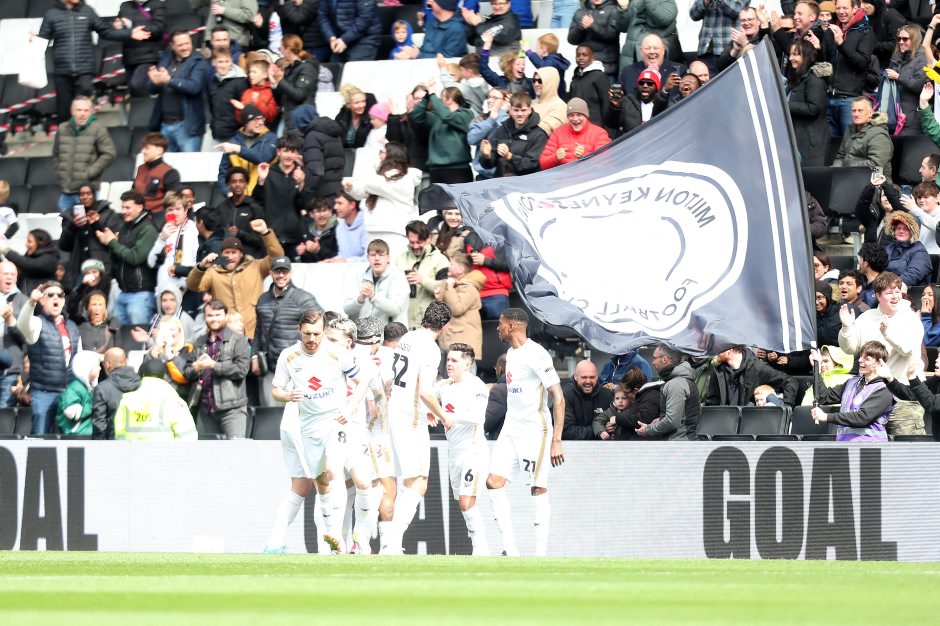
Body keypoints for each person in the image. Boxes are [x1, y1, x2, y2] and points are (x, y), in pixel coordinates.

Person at [264, 310, 373, 554]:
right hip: (308, 426)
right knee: (322, 483)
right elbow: (276, 390)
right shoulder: (289, 356)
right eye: (307, 334)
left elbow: (362, 382)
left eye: (316, 334)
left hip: (336, 421)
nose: (312, 339)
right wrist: (288, 396)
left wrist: (349, 408)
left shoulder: (337, 353)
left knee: (335, 470)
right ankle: (333, 538)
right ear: (299, 331)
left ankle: (340, 536)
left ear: (323, 331)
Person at [486, 307, 565, 557]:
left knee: (537, 487)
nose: (497, 328)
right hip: (511, 427)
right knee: (493, 482)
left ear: (512, 326)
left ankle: (540, 555)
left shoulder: (537, 354)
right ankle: (510, 549)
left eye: (500, 323)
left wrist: (556, 440)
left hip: (534, 429)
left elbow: (558, 397)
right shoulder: (510, 354)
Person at [379, 301, 453, 555]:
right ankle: (391, 544)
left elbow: (401, 381)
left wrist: (426, 410)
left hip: (395, 413)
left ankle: (389, 543)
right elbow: (425, 391)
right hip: (410, 419)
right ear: (444, 326)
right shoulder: (431, 349)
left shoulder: (408, 337)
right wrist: (444, 416)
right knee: (418, 482)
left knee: (405, 482)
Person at [838, 271, 926, 434]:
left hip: (903, 397)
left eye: (897, 291)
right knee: (871, 447)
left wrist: (887, 333)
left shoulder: (911, 318)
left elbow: (906, 349)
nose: (895, 296)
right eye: (889, 293)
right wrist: (846, 327)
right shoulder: (866, 318)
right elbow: (849, 348)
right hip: (871, 396)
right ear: (878, 296)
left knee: (907, 446)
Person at [36, 0, 148, 124]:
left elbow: (106, 31)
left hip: (85, 70)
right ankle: (64, 135)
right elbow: (43, 39)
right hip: (62, 71)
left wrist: (129, 33)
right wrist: (34, 40)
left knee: (83, 109)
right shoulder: (52, 14)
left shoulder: (87, 11)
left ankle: (84, 135)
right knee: (64, 111)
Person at [435, 343, 491, 555]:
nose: (449, 364)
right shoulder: (444, 386)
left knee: (467, 502)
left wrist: (448, 416)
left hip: (472, 452)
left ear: (467, 364)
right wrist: (431, 412)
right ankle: (480, 548)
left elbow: (478, 418)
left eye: (454, 360)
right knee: (463, 503)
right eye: (448, 360)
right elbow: (426, 398)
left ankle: (480, 549)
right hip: (454, 453)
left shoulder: (476, 386)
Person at [186, 220, 284, 337]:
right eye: (227, 253)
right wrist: (201, 266)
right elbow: (193, 285)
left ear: (241, 254)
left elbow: (277, 258)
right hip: (226, 337)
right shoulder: (213, 273)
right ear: (221, 254)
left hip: (255, 334)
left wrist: (265, 233)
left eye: (234, 252)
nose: (230, 256)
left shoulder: (256, 266)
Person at [253, 256, 321, 402]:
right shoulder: (263, 299)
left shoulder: (303, 298)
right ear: (271, 273)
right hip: (270, 369)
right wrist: (254, 356)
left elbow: (322, 326)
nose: (281, 275)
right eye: (277, 271)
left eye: (285, 271)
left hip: (298, 368)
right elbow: (258, 332)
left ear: (291, 273)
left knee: (297, 411)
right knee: (271, 412)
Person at [17, 281, 82, 434]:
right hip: (43, 393)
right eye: (50, 295)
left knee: (67, 440)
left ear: (64, 300)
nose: (56, 298)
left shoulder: (72, 326)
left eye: (60, 295)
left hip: (69, 393)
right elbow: (22, 325)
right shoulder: (37, 322)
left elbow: (79, 360)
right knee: (40, 438)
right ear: (42, 300)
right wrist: (31, 302)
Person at [184, 299, 251, 437]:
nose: (214, 319)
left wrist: (213, 365)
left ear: (226, 316)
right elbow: (187, 372)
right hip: (205, 408)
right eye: (210, 315)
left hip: (232, 409)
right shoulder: (200, 342)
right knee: (209, 451)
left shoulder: (238, 340)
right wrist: (197, 367)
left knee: (237, 449)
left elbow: (242, 369)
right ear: (205, 317)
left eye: (217, 315)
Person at [342, 142, 421, 258]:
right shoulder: (377, 177)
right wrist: (350, 187)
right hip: (372, 229)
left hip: (394, 232)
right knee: (373, 266)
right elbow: (362, 192)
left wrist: (369, 167)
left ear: (392, 155)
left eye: (382, 152)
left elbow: (377, 185)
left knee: (394, 266)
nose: (379, 155)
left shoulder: (406, 177)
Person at [809, 342, 893, 442]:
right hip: (845, 446)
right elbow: (823, 397)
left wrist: (826, 417)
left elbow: (862, 418)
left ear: (879, 362)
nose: (860, 360)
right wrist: (817, 369)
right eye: (861, 357)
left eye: (866, 359)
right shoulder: (851, 383)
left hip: (870, 447)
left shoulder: (884, 388)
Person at [97, 191, 159, 326]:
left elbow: (136, 258)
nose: (124, 211)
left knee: (139, 335)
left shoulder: (148, 229)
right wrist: (110, 244)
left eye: (128, 208)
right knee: (118, 335)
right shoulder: (124, 227)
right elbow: (118, 256)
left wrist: (112, 242)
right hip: (123, 293)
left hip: (141, 295)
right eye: (123, 207)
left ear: (140, 207)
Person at [147, 30, 211, 153]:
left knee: (189, 164)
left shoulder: (200, 61)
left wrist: (169, 80)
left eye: (187, 43)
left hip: (187, 126)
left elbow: (194, 87)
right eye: (180, 45)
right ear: (172, 46)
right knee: (165, 165)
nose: (185, 47)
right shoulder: (166, 59)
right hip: (165, 124)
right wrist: (154, 82)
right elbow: (151, 89)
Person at [53, 96, 117, 212]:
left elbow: (109, 154)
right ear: (72, 111)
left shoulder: (98, 129)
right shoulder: (62, 129)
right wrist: (60, 172)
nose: (82, 114)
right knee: (66, 223)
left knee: (89, 222)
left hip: (88, 192)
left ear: (91, 112)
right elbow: (56, 154)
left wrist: (89, 173)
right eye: (79, 110)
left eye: (86, 110)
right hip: (66, 192)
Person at [252, 136, 312, 259]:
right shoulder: (268, 171)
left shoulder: (303, 173)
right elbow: (257, 200)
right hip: (271, 234)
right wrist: (261, 180)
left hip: (295, 236)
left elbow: (306, 204)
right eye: (285, 151)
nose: (289, 155)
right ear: (278, 152)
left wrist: (301, 183)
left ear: (297, 153)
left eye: (293, 151)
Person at [58, 184, 123, 290]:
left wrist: (96, 224)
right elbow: (63, 246)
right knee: (79, 297)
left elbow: (116, 241)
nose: (85, 197)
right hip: (79, 269)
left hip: (102, 267)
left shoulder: (108, 214)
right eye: (82, 194)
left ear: (94, 195)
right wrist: (73, 227)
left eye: (88, 194)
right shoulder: (70, 216)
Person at [114, 358, 197, 440]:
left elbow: (119, 432)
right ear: (164, 377)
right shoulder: (173, 401)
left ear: (143, 375)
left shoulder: (127, 400)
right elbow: (187, 435)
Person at [825, 0, 875, 136]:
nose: (841, 12)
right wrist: (818, 48)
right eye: (838, 8)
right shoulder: (832, 30)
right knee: (830, 145)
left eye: (845, 8)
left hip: (849, 99)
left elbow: (862, 63)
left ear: (855, 9)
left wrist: (841, 44)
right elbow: (826, 61)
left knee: (850, 142)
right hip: (829, 97)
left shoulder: (866, 32)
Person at [634, 344, 699, 440]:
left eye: (654, 358)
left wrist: (648, 429)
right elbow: (681, 416)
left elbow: (672, 421)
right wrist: (661, 420)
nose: (652, 362)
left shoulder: (675, 384)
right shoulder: (679, 381)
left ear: (664, 359)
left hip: (678, 444)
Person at [411, 87, 474, 184]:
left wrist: (433, 95)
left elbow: (447, 117)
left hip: (459, 169)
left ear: (449, 99)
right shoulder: (436, 117)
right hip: (437, 170)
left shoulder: (465, 114)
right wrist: (426, 99)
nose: (439, 101)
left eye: (441, 98)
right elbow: (416, 117)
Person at [478, 92, 548, 178]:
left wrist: (509, 156)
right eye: (516, 110)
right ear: (510, 110)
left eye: (523, 110)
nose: (519, 114)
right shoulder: (502, 130)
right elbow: (489, 165)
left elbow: (532, 164)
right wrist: (487, 156)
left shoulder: (538, 135)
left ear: (530, 110)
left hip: (527, 182)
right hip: (501, 181)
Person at [396, 221, 450, 331]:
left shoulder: (440, 260)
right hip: (404, 321)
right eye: (412, 242)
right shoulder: (400, 258)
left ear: (429, 238)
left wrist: (423, 280)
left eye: (419, 242)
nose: (415, 246)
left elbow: (447, 289)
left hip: (429, 324)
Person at [705, 346, 800, 407]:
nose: (714, 350)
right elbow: (711, 403)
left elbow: (790, 382)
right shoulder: (717, 371)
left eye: (718, 346)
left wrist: (785, 408)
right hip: (724, 425)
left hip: (749, 426)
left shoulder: (757, 368)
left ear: (730, 349)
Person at [147, 192, 199, 302]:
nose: (174, 213)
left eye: (178, 209)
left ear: (185, 210)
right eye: (170, 209)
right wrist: (162, 239)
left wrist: (183, 284)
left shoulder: (191, 229)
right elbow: (151, 263)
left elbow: (193, 262)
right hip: (163, 292)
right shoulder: (164, 230)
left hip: (182, 291)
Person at [216, 105, 278, 197]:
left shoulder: (271, 138)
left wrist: (238, 149)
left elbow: (263, 158)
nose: (260, 122)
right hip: (240, 197)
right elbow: (223, 173)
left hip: (264, 195)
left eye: (262, 119)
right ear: (246, 123)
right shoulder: (233, 142)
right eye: (256, 119)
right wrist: (228, 193)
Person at [343, 240, 409, 325]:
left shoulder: (398, 276)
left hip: (391, 332)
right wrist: (360, 299)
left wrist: (373, 296)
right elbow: (346, 309)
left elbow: (396, 309)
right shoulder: (359, 277)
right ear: (368, 258)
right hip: (364, 331)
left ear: (388, 258)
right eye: (373, 255)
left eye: (381, 255)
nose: (377, 258)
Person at [785, 39, 830, 167]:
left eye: (795, 54)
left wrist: (784, 105)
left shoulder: (814, 80)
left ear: (806, 56)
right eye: (790, 54)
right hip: (798, 139)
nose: (791, 58)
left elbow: (813, 108)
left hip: (811, 143)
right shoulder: (796, 80)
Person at [434, 252, 485, 361]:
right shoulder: (453, 285)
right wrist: (439, 297)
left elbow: (457, 309)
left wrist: (450, 289)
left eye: (452, 264)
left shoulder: (469, 288)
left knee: (465, 372)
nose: (448, 266)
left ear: (460, 269)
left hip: (464, 345)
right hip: (450, 341)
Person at [539, 98, 610, 170]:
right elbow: (543, 164)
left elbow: (604, 164)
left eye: (579, 115)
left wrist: (585, 156)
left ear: (586, 116)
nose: (575, 119)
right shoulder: (558, 132)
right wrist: (555, 158)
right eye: (571, 115)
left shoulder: (600, 133)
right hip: (563, 176)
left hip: (589, 175)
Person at [832, 97, 893, 180]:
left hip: (875, 180)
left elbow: (875, 164)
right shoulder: (850, 130)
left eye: (860, 110)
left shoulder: (879, 134)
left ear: (870, 113)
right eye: (854, 111)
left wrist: (846, 168)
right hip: (848, 176)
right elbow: (840, 156)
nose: (856, 114)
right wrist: (835, 173)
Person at [293, 105, 345, 202]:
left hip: (323, 194)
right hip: (337, 187)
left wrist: (307, 196)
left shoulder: (312, 137)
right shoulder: (331, 132)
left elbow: (315, 171)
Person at [116, 0, 167, 96]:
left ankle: (147, 105)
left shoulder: (157, 4)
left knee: (137, 85)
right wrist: (116, 26)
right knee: (133, 91)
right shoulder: (125, 6)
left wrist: (132, 26)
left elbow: (158, 29)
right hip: (129, 57)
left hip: (149, 57)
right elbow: (117, 25)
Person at [271, 34, 320, 131]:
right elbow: (280, 100)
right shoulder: (289, 68)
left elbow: (299, 95)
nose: (280, 51)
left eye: (280, 48)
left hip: (301, 120)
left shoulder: (307, 68)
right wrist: (274, 83)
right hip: (287, 118)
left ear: (288, 49)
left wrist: (280, 80)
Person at [214, 167, 266, 259]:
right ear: (228, 185)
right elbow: (216, 235)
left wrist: (239, 233)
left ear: (246, 184)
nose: (238, 185)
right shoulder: (221, 208)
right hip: (227, 258)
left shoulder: (254, 207)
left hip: (250, 258)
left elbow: (260, 239)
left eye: (241, 181)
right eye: (234, 181)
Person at [885, 23, 927, 136]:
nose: (901, 42)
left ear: (914, 40)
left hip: (910, 117)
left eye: (905, 39)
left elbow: (919, 86)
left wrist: (898, 77)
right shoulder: (896, 57)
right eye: (899, 39)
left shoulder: (921, 59)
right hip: (892, 114)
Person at [90, 347, 140, 439]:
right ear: (127, 361)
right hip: (139, 440)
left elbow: (99, 424)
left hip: (113, 442)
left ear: (107, 364)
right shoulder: (141, 383)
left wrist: (99, 445)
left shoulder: (102, 389)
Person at [604, 67, 668, 137]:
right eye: (641, 83)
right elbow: (612, 124)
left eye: (650, 83)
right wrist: (615, 107)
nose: (645, 86)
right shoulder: (627, 101)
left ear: (657, 87)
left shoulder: (664, 104)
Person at [616, 0, 678, 69]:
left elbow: (664, 19)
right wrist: (623, 9)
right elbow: (622, 28)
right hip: (630, 54)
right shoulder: (634, 2)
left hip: (654, 55)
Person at [562, 358, 614, 440]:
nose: (588, 381)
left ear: (597, 376)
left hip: (604, 446)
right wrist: (600, 430)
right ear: (575, 376)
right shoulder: (565, 395)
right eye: (584, 377)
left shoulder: (607, 395)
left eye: (592, 377)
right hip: (573, 446)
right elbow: (568, 432)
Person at [689, 0, 749, 70]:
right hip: (705, 50)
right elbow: (694, 15)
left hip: (728, 51)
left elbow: (736, 10)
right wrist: (705, 2)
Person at [568, 0, 621, 78]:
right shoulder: (580, 12)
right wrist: (581, 27)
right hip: (585, 68)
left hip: (607, 69)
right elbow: (572, 40)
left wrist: (592, 26)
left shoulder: (614, 10)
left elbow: (612, 36)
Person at [0, 262, 28, 408]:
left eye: (13, 274)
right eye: (6, 274)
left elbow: (27, 338)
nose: (9, 277)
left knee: (4, 414)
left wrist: (11, 320)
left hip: (10, 370)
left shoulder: (24, 302)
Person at [132, 133, 182, 214]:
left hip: (157, 217)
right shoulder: (141, 168)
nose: (143, 151)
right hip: (137, 214)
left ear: (159, 150)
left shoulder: (169, 172)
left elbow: (173, 201)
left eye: (147, 148)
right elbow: (133, 192)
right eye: (143, 148)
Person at [54, 350, 99, 436]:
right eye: (97, 366)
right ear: (87, 368)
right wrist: (95, 405)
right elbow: (72, 413)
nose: (100, 368)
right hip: (77, 434)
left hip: (87, 433)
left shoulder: (88, 388)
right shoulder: (74, 388)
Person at [2, 229, 59, 296]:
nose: (26, 244)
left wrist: (6, 250)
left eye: (29, 241)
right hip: (25, 298)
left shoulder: (50, 258)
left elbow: (28, 265)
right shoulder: (29, 256)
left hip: (42, 299)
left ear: (41, 242)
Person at [209, 50, 250, 142]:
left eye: (227, 61)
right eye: (220, 62)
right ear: (213, 63)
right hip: (217, 132)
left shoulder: (240, 82)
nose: (224, 65)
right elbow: (212, 108)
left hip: (235, 134)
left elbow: (246, 107)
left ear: (231, 61)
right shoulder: (214, 82)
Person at [883, 211, 932, 287]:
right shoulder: (889, 247)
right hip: (883, 287)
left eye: (906, 229)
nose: (901, 231)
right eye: (898, 228)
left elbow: (912, 275)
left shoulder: (919, 251)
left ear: (912, 232)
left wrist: (890, 286)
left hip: (906, 290)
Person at [568, 45, 610, 127]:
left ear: (592, 57)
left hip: (596, 126)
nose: (581, 58)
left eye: (584, 55)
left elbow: (606, 103)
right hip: (577, 125)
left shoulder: (599, 76)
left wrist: (608, 130)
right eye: (578, 55)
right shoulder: (575, 78)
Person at [522, 34, 572, 99]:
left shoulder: (552, 61)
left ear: (544, 49)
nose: (536, 50)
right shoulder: (555, 60)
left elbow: (542, 66)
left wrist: (528, 52)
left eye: (537, 47)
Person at [77, 290, 119, 355]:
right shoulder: (80, 323)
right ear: (87, 307)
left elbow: (118, 350)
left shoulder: (113, 326)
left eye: (100, 305)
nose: (97, 308)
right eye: (94, 304)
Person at [335, 84, 377, 149]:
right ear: (348, 105)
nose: (361, 105)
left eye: (363, 101)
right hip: (344, 151)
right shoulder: (341, 118)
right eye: (357, 103)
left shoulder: (370, 119)